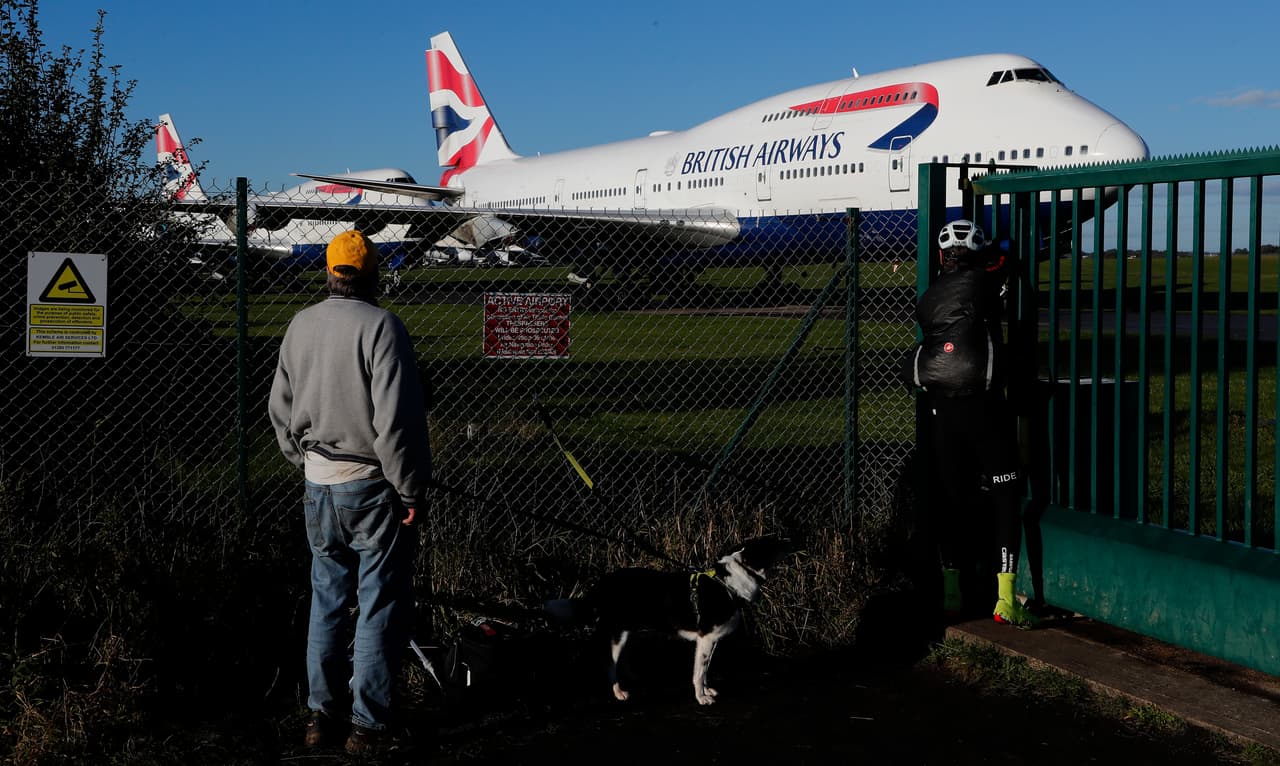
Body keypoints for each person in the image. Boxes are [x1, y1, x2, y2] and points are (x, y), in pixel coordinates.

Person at [268, 230, 434, 751]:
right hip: (370, 486)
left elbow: (279, 407)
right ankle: (367, 724)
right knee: (378, 603)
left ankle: (320, 716)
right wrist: (410, 490)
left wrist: (304, 460)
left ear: (329, 271)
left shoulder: (300, 324)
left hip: (317, 481)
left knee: (327, 600)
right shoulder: (383, 326)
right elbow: (396, 421)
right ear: (373, 273)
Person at [905, 219, 1038, 629]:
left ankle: (951, 594)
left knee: (951, 497)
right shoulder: (986, 282)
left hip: (941, 408)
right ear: (976, 254)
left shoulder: (928, 297)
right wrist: (1001, 254)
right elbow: (1001, 268)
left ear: (941, 256)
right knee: (1005, 495)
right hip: (984, 406)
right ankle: (1005, 600)